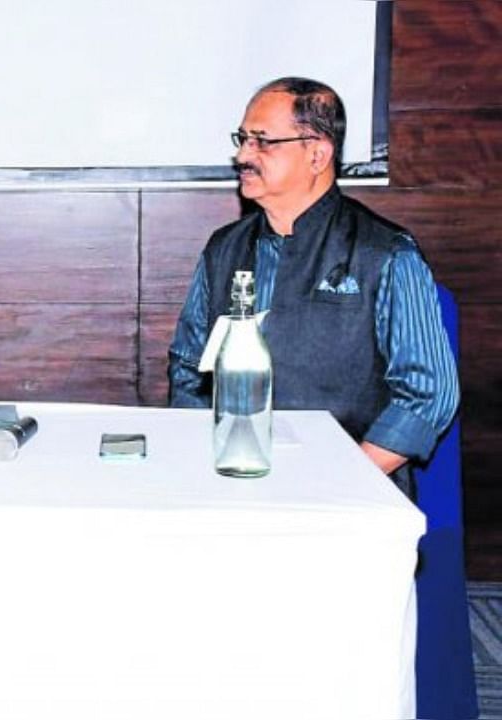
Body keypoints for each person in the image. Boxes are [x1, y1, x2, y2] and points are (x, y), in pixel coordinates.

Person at [168, 77, 459, 493]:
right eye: (242, 139)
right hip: (233, 481)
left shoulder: (386, 254)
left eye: (262, 141)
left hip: (348, 491)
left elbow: (428, 396)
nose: (241, 155)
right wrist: (210, 463)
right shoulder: (224, 249)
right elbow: (188, 369)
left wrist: (339, 479)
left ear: (317, 154)